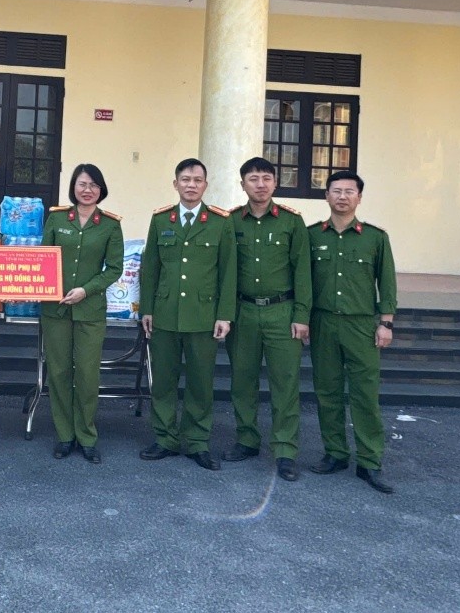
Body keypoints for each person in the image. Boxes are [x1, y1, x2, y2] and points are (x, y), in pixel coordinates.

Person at [138, 157, 236, 470]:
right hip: (165, 314)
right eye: (185, 179)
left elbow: (228, 272)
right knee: (163, 382)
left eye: (197, 180)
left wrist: (224, 315)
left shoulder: (220, 222)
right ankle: (165, 438)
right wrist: (147, 309)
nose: (191, 185)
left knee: (200, 383)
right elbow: (151, 268)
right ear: (175, 184)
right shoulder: (161, 220)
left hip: (203, 316)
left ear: (205, 185)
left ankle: (197, 441)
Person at [307, 170, 398, 494]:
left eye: (349, 191)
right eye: (336, 191)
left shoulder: (375, 238)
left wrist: (386, 323)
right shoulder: (312, 236)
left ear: (359, 197)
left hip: (360, 326)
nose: (342, 196)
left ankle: (370, 461)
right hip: (322, 323)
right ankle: (335, 453)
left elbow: (386, 282)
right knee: (327, 391)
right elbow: (303, 281)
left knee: (365, 394)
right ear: (326, 196)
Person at [222, 157, 312, 481]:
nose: (260, 184)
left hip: (281, 313)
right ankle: (246, 439)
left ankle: (285, 449)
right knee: (242, 380)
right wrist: (225, 315)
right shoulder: (231, 221)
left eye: (266, 178)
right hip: (243, 311)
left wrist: (302, 316)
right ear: (242, 184)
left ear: (275, 182)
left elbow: (303, 271)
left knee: (284, 383)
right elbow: (224, 270)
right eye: (253, 178)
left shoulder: (291, 222)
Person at [40, 163, 124, 464]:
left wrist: (86, 290)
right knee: (59, 373)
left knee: (87, 375)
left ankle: (87, 436)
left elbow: (114, 269)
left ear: (101, 189)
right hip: (55, 308)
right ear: (73, 187)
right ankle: (65, 435)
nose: (87, 190)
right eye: (82, 184)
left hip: (90, 309)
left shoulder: (110, 225)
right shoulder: (57, 218)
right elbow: (43, 259)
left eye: (93, 185)